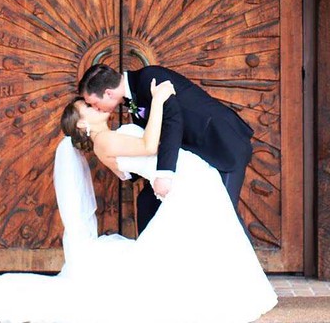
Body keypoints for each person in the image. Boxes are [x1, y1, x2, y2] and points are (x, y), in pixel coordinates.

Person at [0, 79, 277, 323]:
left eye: (89, 101)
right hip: (187, 182)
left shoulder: (109, 139)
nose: (93, 105)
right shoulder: (104, 144)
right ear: (82, 125)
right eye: (86, 106)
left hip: (190, 179)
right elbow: (148, 146)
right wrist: (157, 102)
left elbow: (137, 158)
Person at [78, 64, 254, 232]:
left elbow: (173, 121)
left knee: (223, 217)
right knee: (147, 203)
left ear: (108, 93)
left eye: (93, 103)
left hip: (222, 144)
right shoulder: (131, 100)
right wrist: (122, 167)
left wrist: (165, 174)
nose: (96, 108)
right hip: (196, 156)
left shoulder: (151, 77)